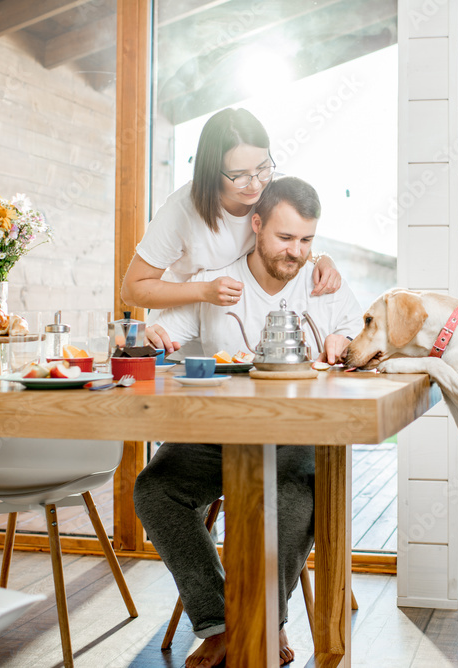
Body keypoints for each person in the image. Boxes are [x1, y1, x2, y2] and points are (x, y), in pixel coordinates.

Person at [134, 177, 363, 668]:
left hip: (300, 436)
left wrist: (347, 347)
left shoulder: (326, 287)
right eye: (285, 238)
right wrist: (151, 333)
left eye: (307, 241)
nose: (296, 252)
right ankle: (220, 623)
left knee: (289, 497)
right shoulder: (218, 284)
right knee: (155, 490)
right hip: (221, 435)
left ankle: (263, 623)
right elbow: (163, 336)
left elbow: (361, 341)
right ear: (256, 225)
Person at [120, 108, 341, 326]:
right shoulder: (181, 210)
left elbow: (293, 242)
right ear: (212, 171)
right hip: (179, 337)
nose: (255, 185)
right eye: (239, 176)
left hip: (237, 333)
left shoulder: (273, 190)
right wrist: (204, 290)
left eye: (264, 168)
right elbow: (131, 290)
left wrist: (322, 259)